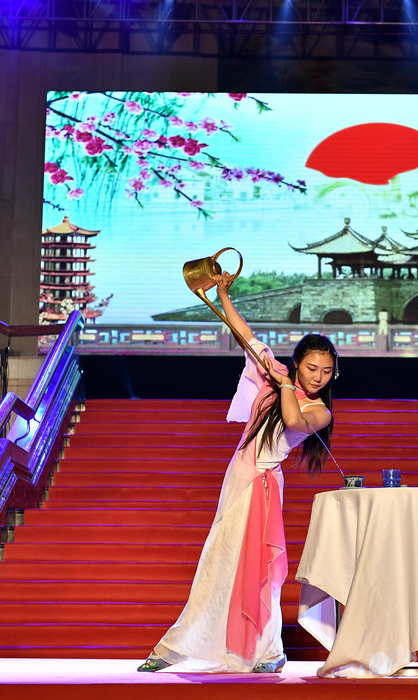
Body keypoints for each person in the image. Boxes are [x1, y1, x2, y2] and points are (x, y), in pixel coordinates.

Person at [138, 272, 338, 674]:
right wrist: (224, 295)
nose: (318, 377)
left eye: (327, 371)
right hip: (238, 479)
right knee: (220, 562)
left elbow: (293, 421)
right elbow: (245, 334)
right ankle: (193, 643)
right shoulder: (274, 375)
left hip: (262, 485)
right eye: (312, 368)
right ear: (298, 363)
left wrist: (285, 384)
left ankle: (264, 650)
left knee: (256, 570)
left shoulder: (319, 410)